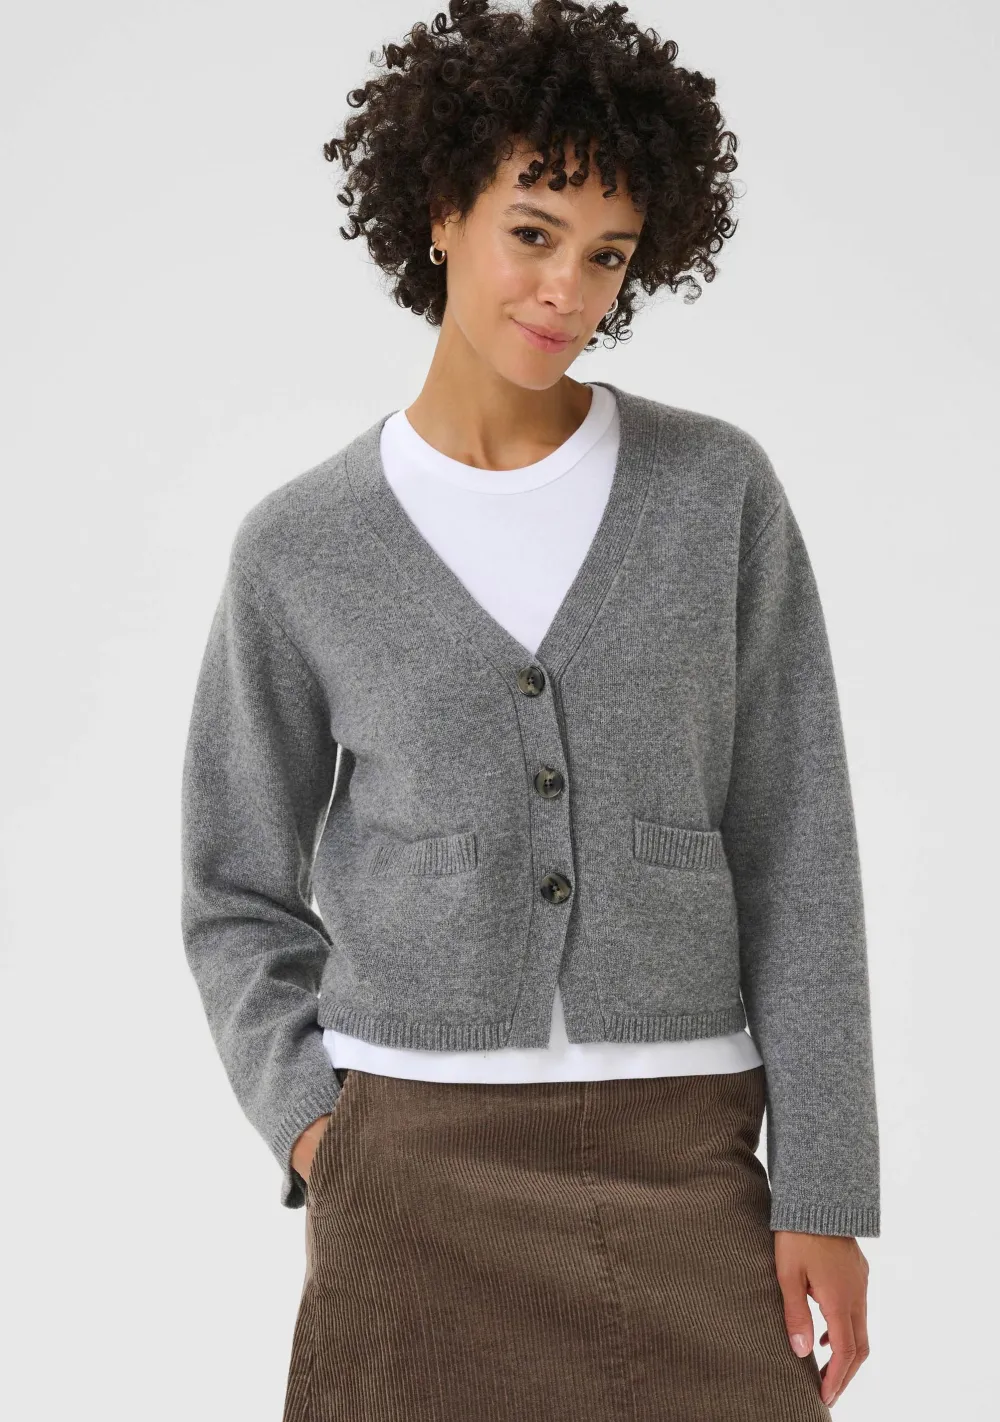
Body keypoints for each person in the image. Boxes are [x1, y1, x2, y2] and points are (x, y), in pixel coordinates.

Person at [180, 2, 880, 1417]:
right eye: (533, 231)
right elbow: (232, 886)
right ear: (441, 210)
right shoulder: (301, 545)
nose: (568, 289)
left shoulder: (716, 496)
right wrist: (319, 1130)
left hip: (687, 1155)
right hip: (410, 1170)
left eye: (608, 253)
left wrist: (823, 1185)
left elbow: (797, 844)